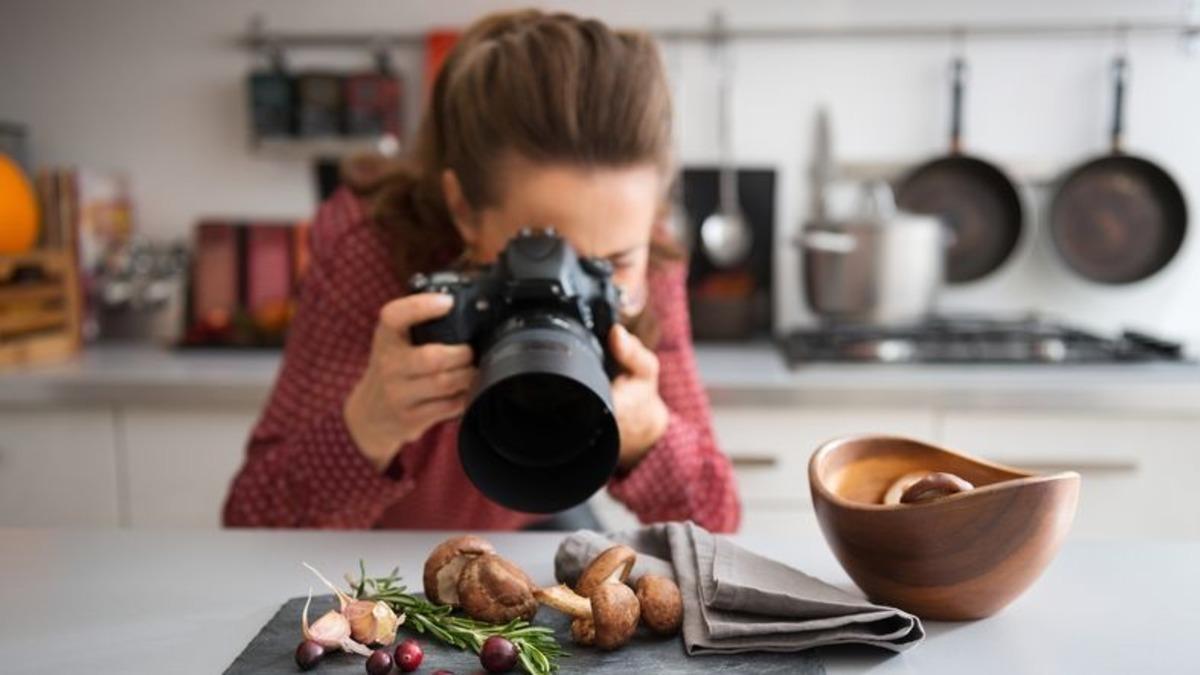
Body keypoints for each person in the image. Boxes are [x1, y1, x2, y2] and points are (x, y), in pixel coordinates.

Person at [223, 9, 741, 532]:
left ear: (651, 218)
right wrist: (367, 426)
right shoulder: (372, 247)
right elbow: (253, 523)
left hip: (529, 518)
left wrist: (651, 436)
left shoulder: (649, 257)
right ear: (463, 210)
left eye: (612, 264)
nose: (569, 287)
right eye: (538, 252)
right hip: (374, 545)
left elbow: (718, 524)